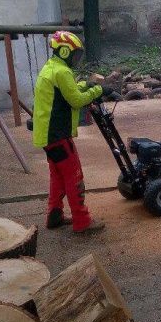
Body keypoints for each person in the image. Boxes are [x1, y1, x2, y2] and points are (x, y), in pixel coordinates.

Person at [33, 31, 111, 234]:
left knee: (57, 176)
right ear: (65, 50)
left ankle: (54, 214)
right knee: (74, 175)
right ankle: (82, 221)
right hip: (58, 135)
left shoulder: (51, 68)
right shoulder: (62, 72)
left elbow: (69, 90)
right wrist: (98, 91)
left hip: (47, 136)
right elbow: (76, 100)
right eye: (75, 55)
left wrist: (86, 85)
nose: (76, 59)